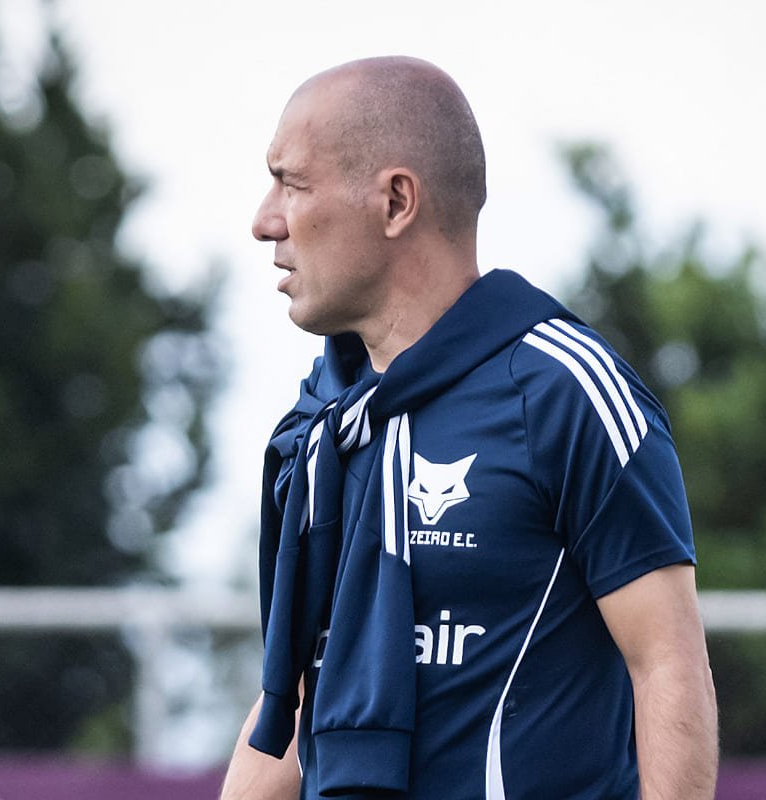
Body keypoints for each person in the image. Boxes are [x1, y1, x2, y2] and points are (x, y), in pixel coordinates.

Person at [219, 56, 718, 800]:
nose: (264, 221)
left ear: (396, 202)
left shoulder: (565, 393)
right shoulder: (320, 424)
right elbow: (293, 701)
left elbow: (668, 664)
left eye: (291, 184)